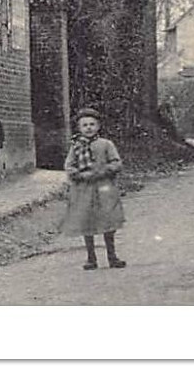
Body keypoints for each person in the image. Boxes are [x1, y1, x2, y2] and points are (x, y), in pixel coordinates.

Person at [62, 108, 126, 271]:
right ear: (79, 128)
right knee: (86, 220)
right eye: (85, 125)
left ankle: (112, 256)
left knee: (108, 219)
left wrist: (102, 171)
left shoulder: (106, 144)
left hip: (104, 187)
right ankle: (91, 258)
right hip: (83, 189)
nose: (88, 128)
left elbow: (117, 163)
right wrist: (79, 175)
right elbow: (69, 166)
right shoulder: (76, 146)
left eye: (92, 124)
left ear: (98, 126)